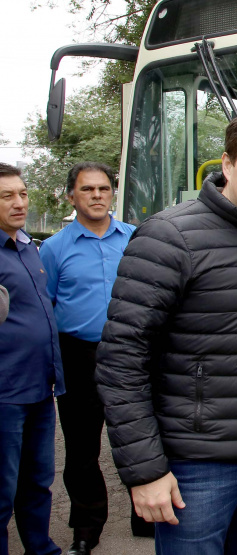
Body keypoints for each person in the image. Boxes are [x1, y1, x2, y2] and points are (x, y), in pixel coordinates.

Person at [95, 112, 237, 555]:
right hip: (197, 467)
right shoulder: (169, 237)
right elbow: (120, 360)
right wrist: (145, 471)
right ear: (227, 166)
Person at [37, 162, 135, 555]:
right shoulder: (54, 248)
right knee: (81, 450)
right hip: (78, 355)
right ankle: (86, 527)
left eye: (103, 189)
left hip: (131, 351)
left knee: (136, 439)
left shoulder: (135, 238)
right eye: (88, 189)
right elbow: (48, 307)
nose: (97, 195)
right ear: (71, 196)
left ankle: (147, 517)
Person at [0, 162, 65, 555]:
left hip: (40, 389)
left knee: (38, 482)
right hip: (5, 393)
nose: (19, 202)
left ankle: (41, 549)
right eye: (7, 196)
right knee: (1, 490)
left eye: (22, 194)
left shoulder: (27, 246)